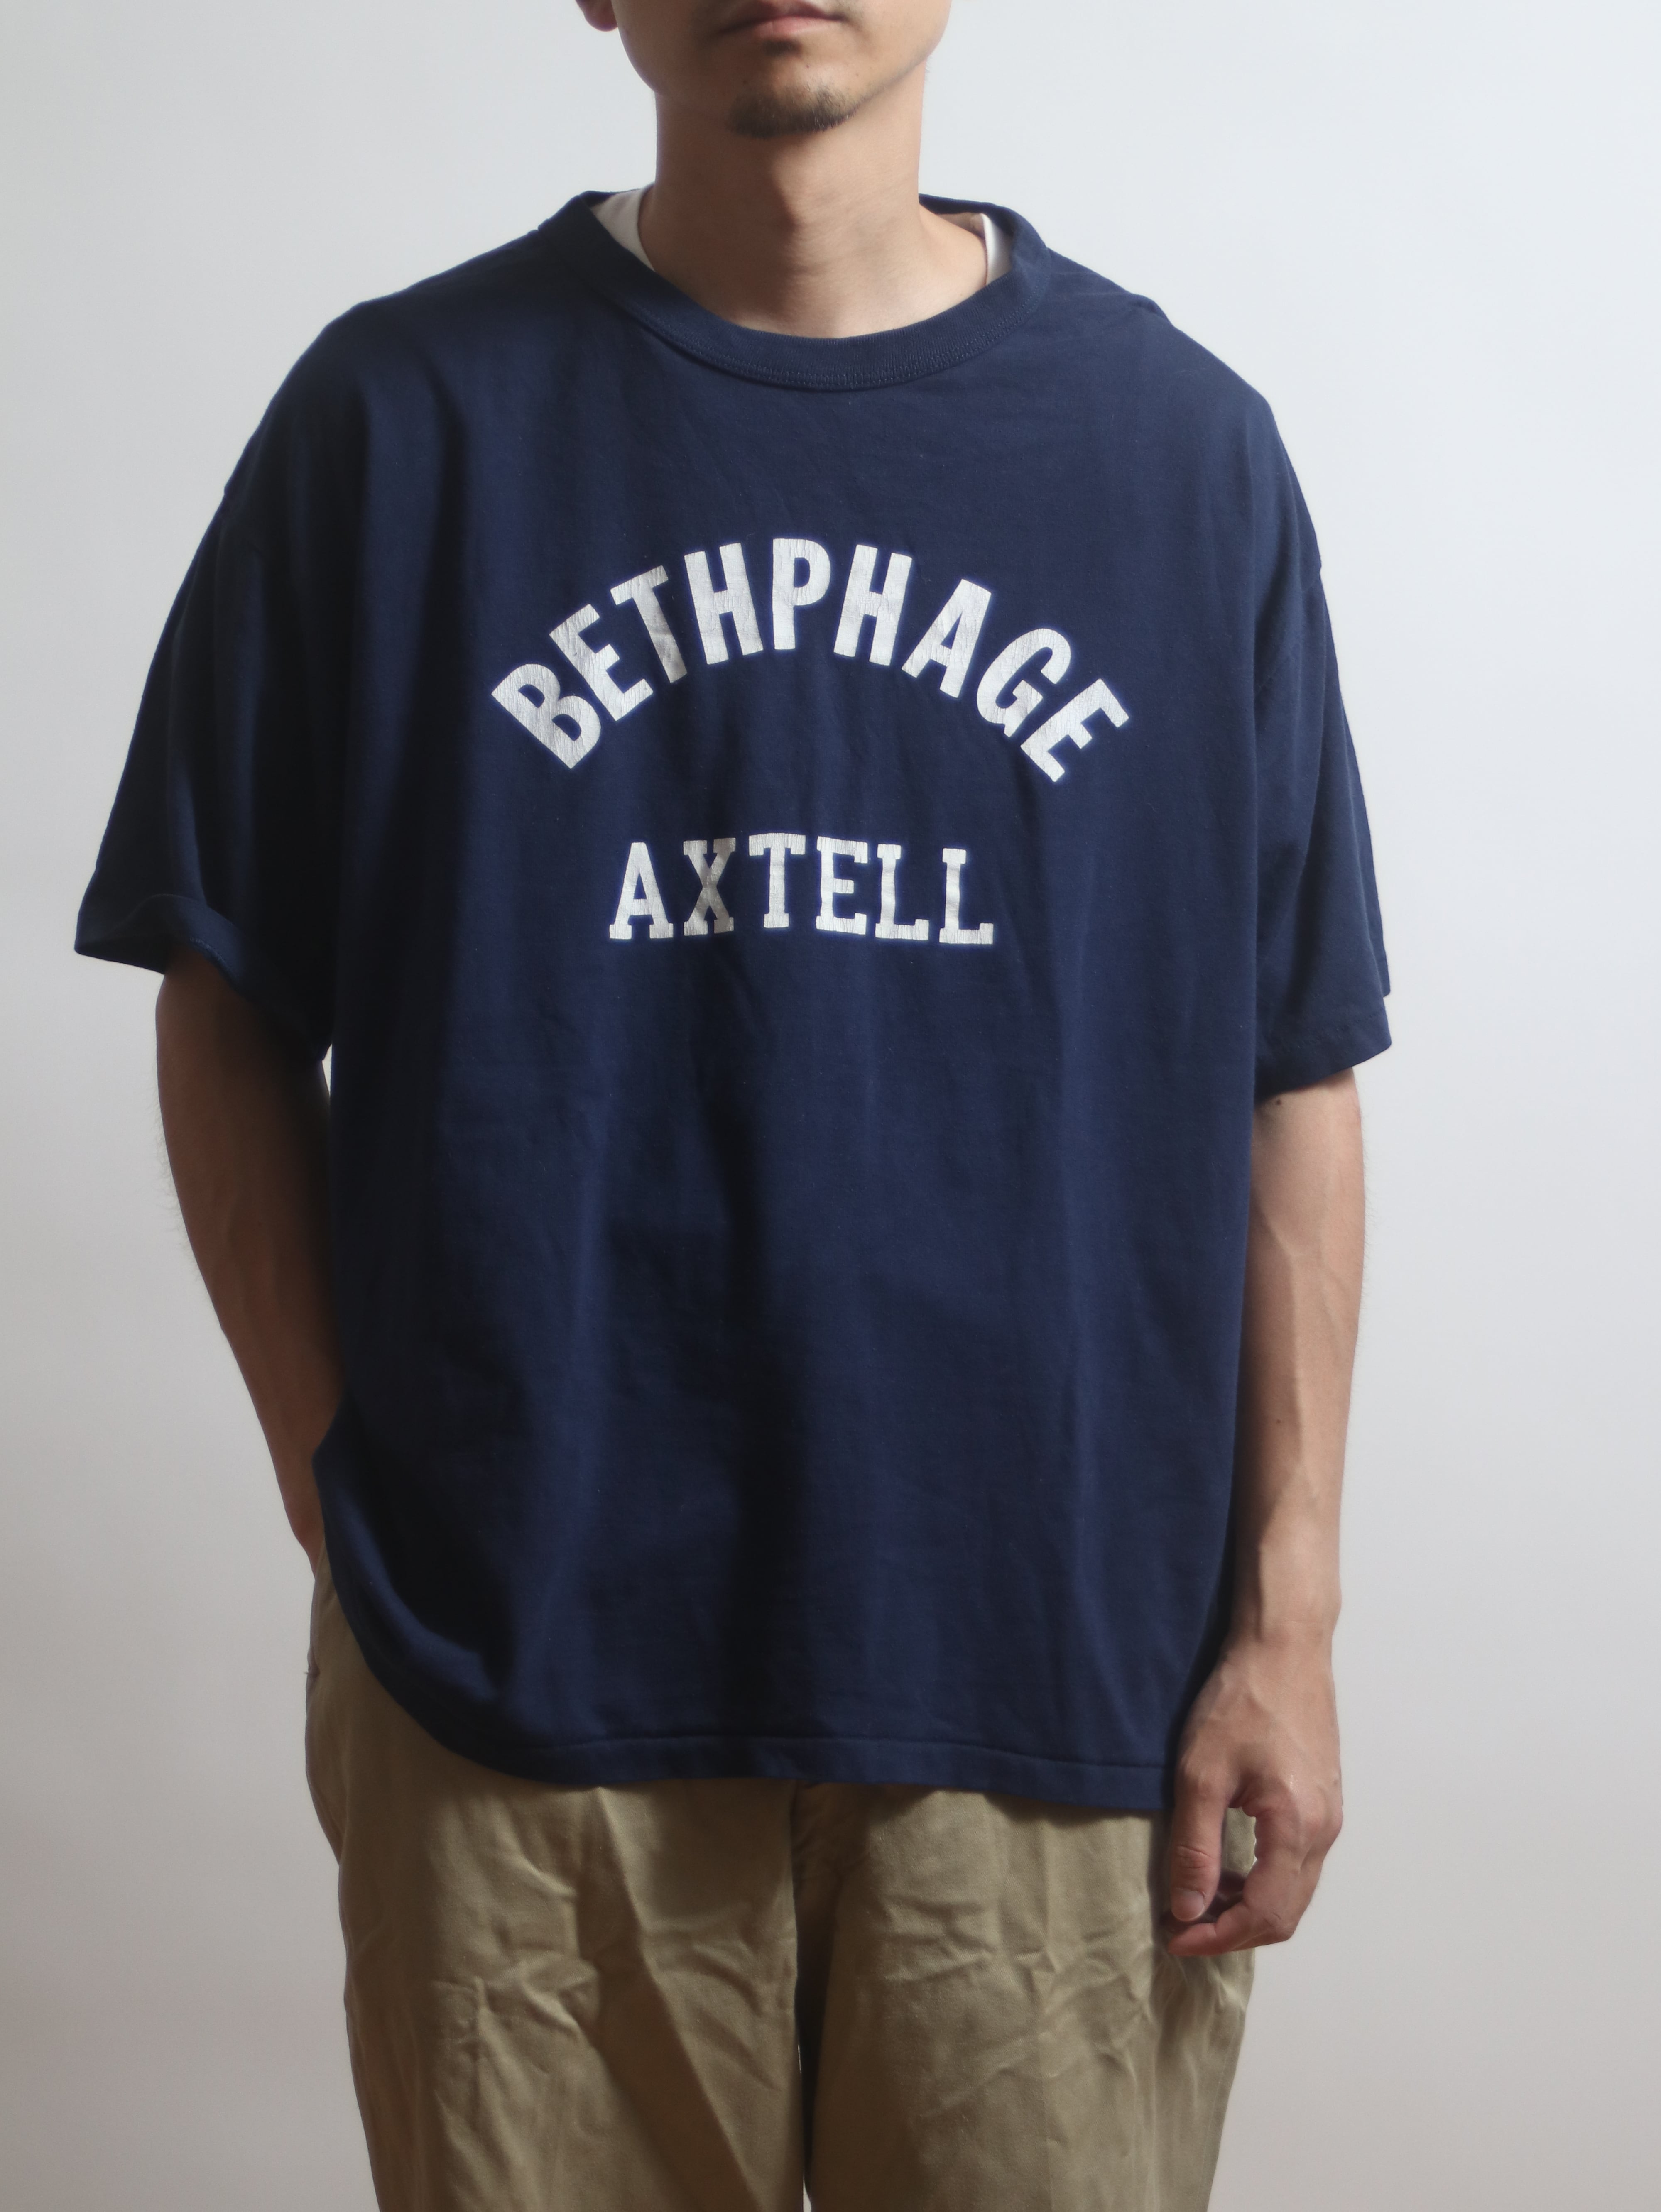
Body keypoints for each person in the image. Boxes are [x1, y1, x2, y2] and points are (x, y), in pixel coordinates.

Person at [76, 1, 1390, 2205]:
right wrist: (344, 1495)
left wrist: (1290, 1621)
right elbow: (223, 994)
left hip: (1056, 1682)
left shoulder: (1177, 456)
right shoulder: (398, 425)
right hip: (517, 1693)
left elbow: (1291, 1062)